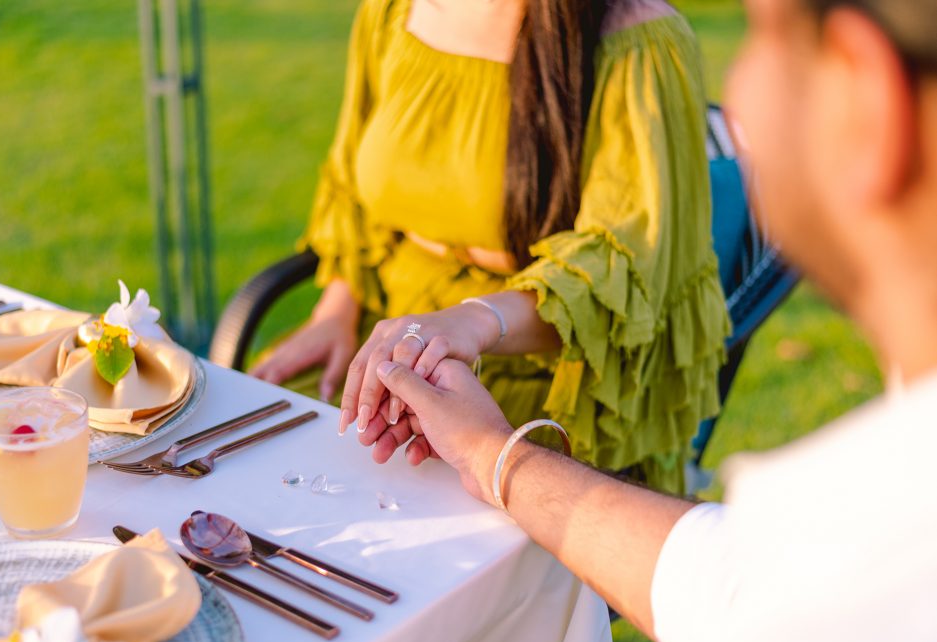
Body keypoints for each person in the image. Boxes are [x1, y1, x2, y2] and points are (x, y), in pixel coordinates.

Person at [359, 0, 937, 642]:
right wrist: (488, 450)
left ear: (864, 96)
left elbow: (739, 596)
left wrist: (485, 396)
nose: (723, 117)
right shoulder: (825, 555)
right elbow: (721, 580)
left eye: (759, 33)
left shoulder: (833, 598)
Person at [252, 0, 731, 494]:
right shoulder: (393, 10)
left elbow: (622, 270)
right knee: (247, 477)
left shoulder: (639, 40)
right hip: (388, 336)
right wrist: (335, 311)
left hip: (550, 375)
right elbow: (355, 178)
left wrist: (474, 320)